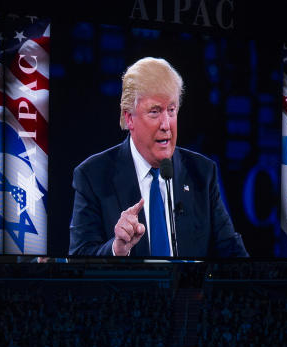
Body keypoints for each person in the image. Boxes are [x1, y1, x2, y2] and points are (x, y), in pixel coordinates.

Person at [69, 57, 247, 258]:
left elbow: (232, 255)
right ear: (129, 118)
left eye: (171, 110)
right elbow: (79, 258)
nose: (166, 124)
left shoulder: (202, 173)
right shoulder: (93, 176)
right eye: (155, 112)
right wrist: (116, 250)